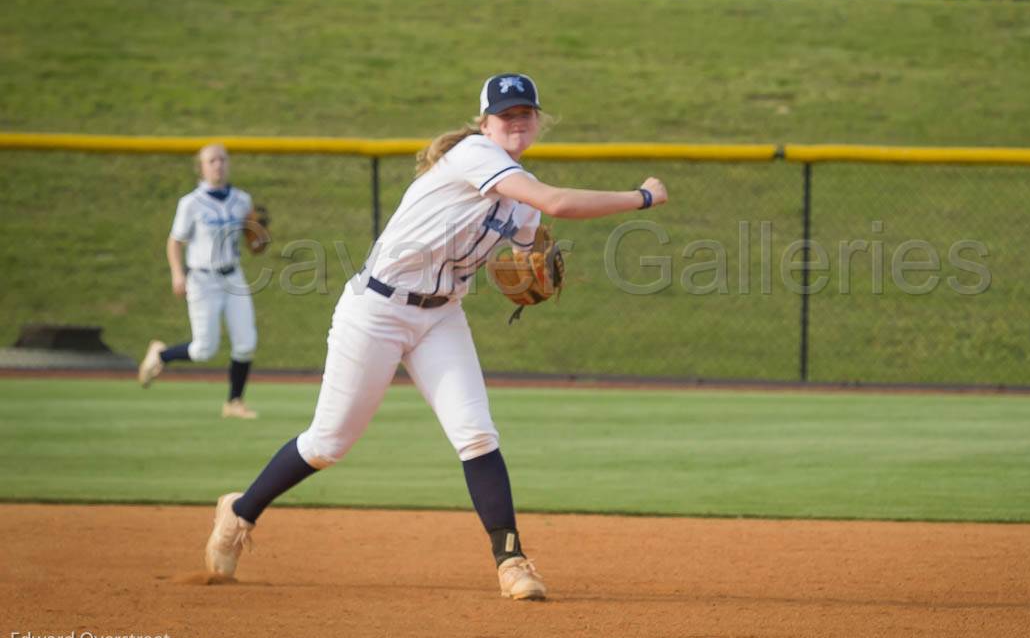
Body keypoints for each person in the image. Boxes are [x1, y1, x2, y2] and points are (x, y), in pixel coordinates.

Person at [201, 74, 669, 600]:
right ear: (484, 123)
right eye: (505, 114)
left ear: (538, 121)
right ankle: (240, 512)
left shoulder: (521, 196)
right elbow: (558, 202)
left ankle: (512, 562)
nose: (516, 121)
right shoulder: (473, 154)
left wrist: (531, 262)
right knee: (328, 444)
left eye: (525, 113)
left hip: (442, 316)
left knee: (476, 434)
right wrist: (642, 197)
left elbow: (529, 238)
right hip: (376, 311)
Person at [138, 144, 262, 420]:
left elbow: (254, 242)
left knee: (246, 343)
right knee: (203, 350)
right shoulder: (191, 203)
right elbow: (175, 241)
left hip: (233, 277)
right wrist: (177, 273)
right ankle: (161, 355)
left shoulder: (242, 200)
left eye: (222, 160)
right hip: (203, 280)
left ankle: (234, 402)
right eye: (212, 160)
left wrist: (259, 237)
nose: (218, 165)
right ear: (201, 167)